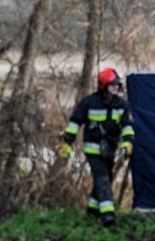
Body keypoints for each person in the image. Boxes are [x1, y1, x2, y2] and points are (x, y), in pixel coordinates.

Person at [57, 67, 134, 226]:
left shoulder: (121, 104)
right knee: (103, 179)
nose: (116, 87)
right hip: (93, 148)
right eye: (113, 84)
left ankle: (92, 212)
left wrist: (128, 141)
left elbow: (127, 125)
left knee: (106, 179)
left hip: (111, 149)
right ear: (103, 86)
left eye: (117, 85)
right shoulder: (89, 102)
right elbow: (75, 123)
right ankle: (107, 215)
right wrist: (67, 143)